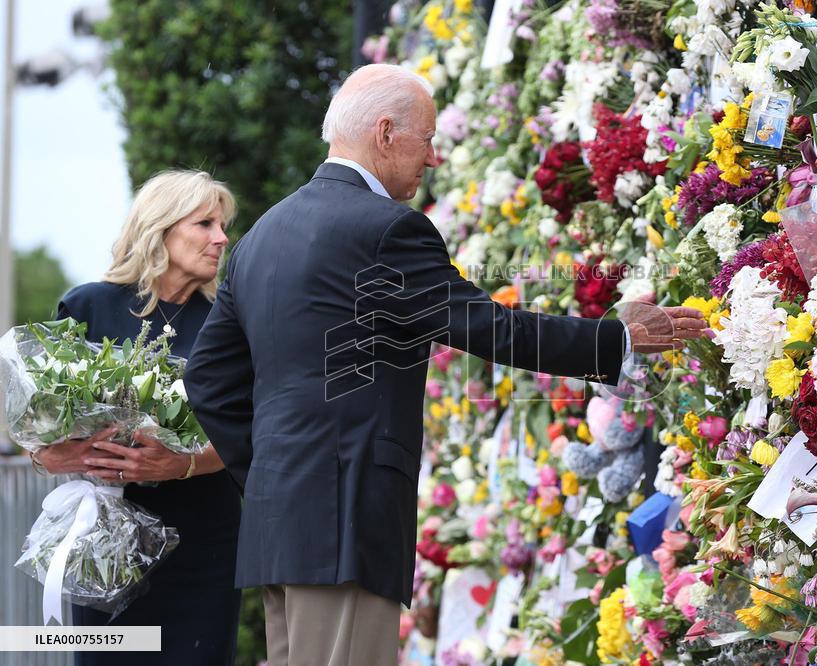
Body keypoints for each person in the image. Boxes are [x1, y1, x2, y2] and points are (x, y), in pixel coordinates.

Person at [183, 64, 709, 666]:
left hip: (282, 523)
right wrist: (613, 339)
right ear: (385, 133)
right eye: (427, 140)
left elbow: (208, 380)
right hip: (344, 520)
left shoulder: (259, 238)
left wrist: (274, 472)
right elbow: (488, 326)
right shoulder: (382, 229)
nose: (432, 159)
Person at [34, 170, 242, 666]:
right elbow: (39, 424)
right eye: (205, 223)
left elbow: (250, 431)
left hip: (203, 546)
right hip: (106, 546)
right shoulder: (87, 305)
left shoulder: (230, 322)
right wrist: (58, 454)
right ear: (161, 228)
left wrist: (183, 464)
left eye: (223, 224)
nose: (222, 237)